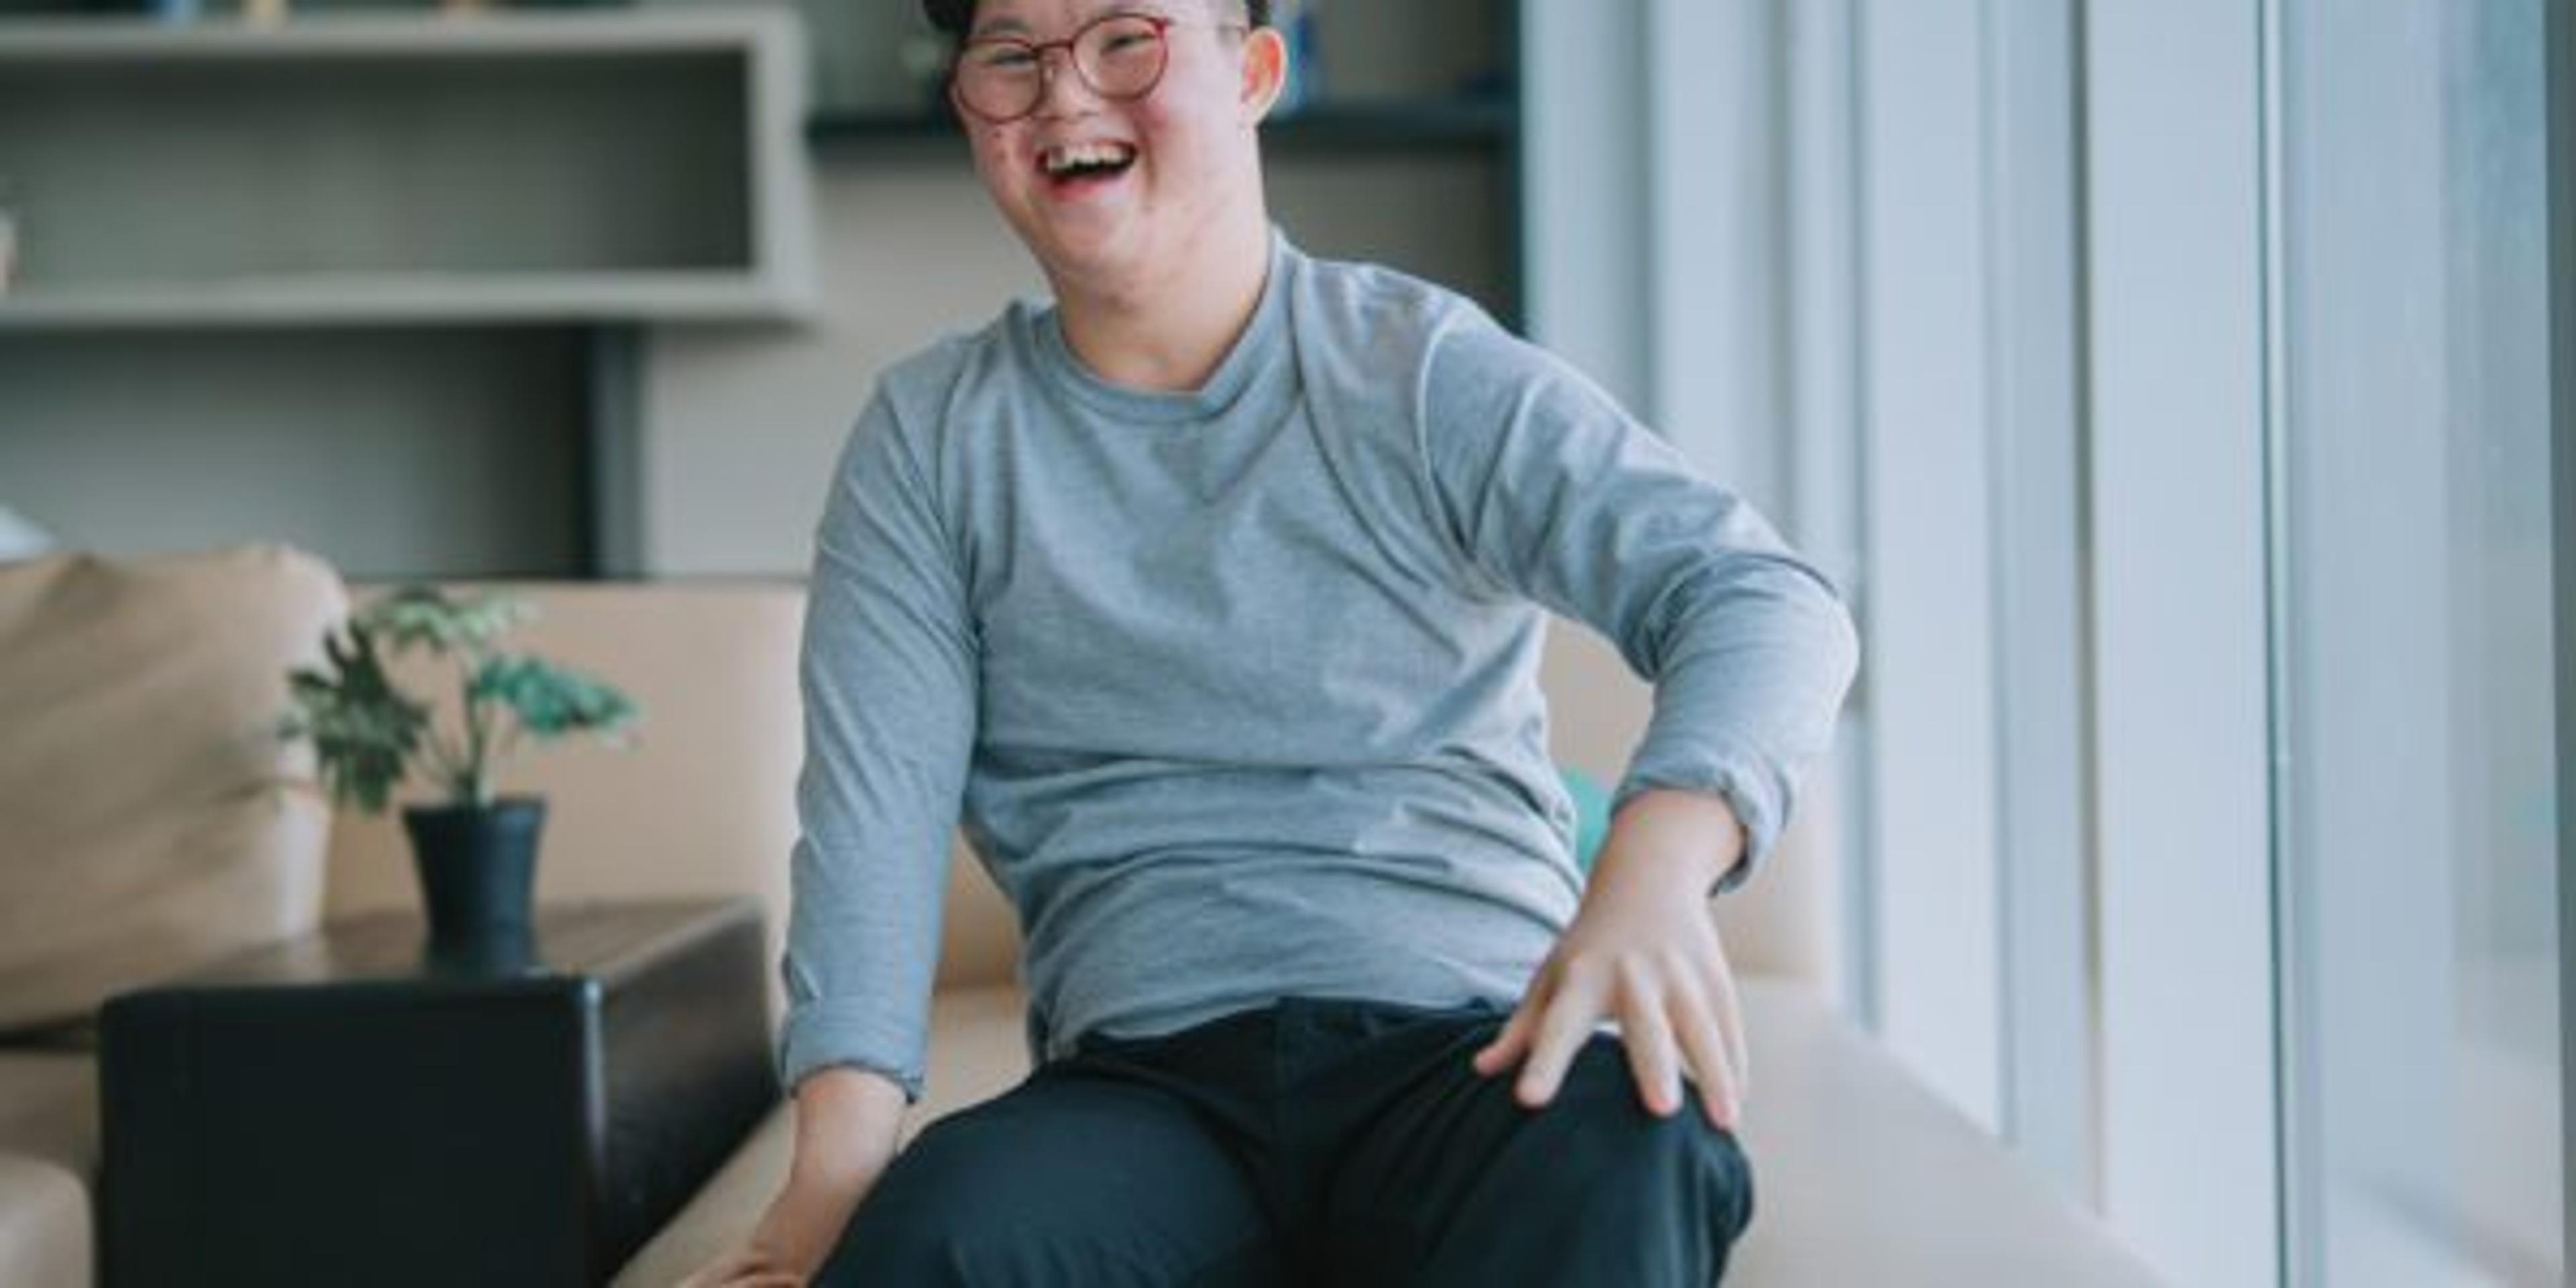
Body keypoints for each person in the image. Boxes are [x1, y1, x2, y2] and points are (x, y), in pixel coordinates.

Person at [684, 0, 1858, 1283]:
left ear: (1253, 72)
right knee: (944, 1238)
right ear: (970, 107)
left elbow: (1762, 596)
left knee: (1639, 1137)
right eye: (1011, 56)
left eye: (1126, 38)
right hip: (1145, 1100)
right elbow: (873, 834)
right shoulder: (930, 443)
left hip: (1470, 1056)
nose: (1067, 96)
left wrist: (1651, 872)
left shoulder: (1419, 372)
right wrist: (826, 1203)